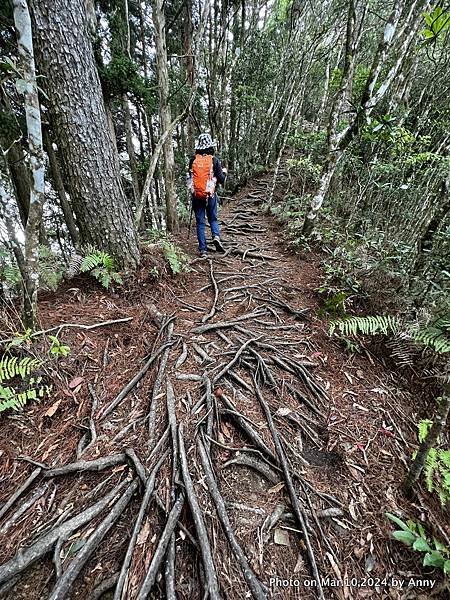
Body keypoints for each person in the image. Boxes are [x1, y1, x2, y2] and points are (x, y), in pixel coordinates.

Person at [188, 133, 227, 257]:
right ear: (211, 147)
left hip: (197, 196)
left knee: (200, 222)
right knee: (213, 219)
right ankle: (216, 236)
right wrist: (224, 172)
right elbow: (221, 179)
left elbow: (190, 178)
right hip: (210, 195)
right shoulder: (214, 160)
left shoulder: (193, 160)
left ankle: (203, 249)